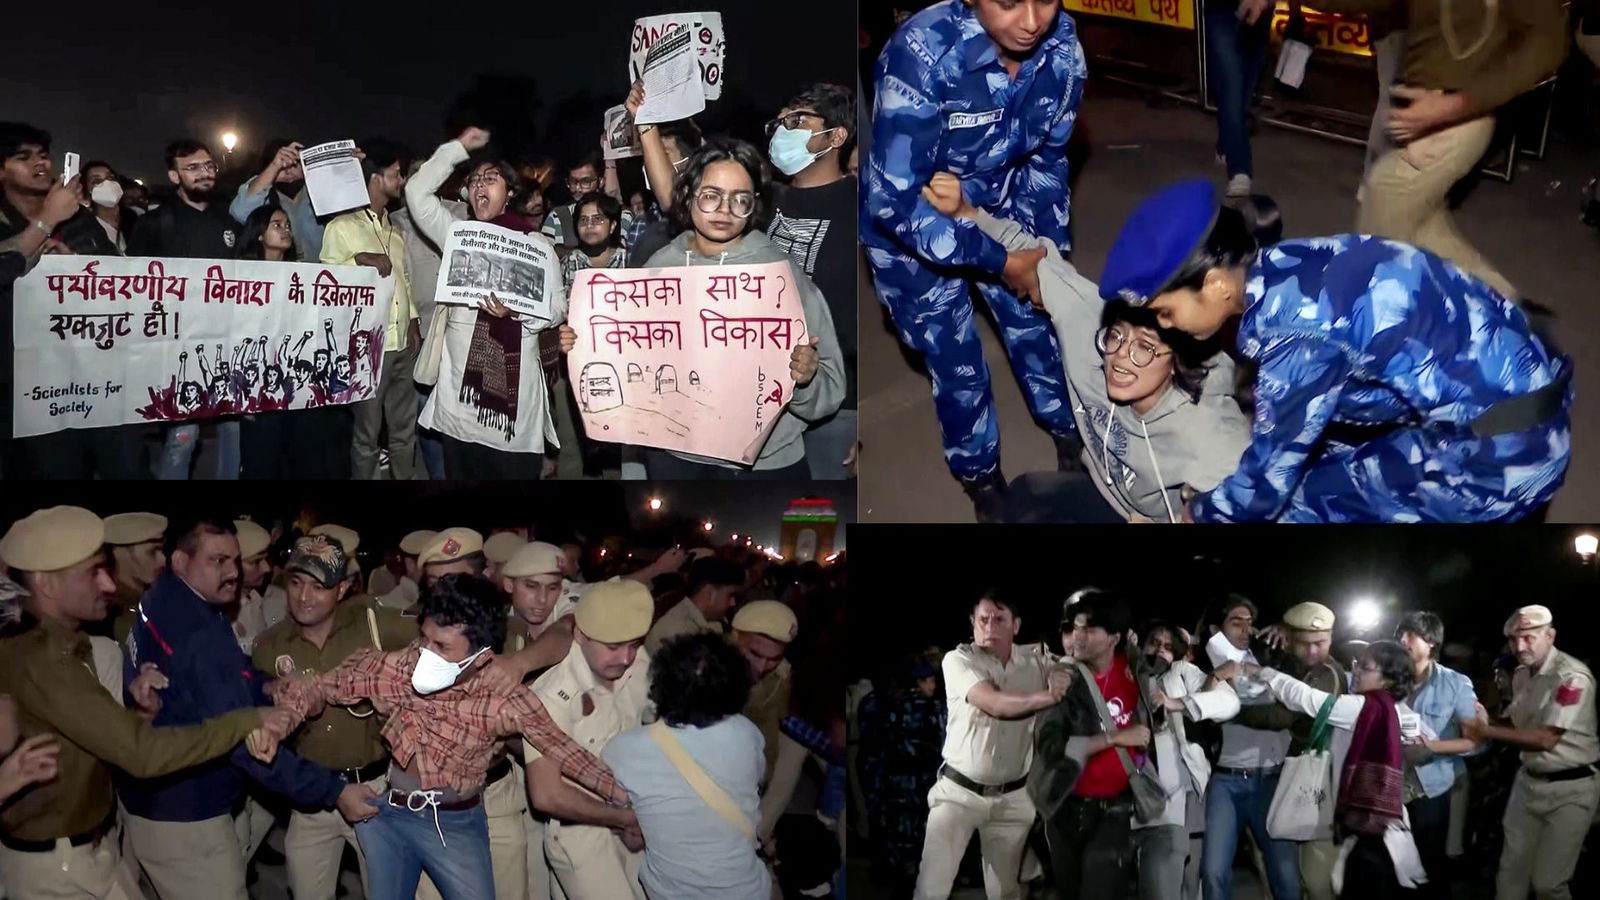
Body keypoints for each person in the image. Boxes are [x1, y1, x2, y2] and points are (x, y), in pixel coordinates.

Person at [1102, 179, 1572, 522]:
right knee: (1332, 456)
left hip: (1502, 456)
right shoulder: (1294, 262)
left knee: (1303, 504)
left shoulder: (1295, 333)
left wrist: (1200, 514)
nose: (1167, 326)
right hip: (1528, 397)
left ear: (1216, 284)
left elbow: (1265, 487)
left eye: (1166, 312)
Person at [266, 573, 633, 900]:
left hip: (455, 826)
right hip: (390, 816)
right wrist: (282, 719)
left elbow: (566, 752)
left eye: (442, 647)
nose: (425, 654)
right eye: (425, 639)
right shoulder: (398, 668)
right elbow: (321, 686)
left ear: (480, 655)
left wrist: (628, 804)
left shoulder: (503, 698)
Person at [863, 0, 1089, 520]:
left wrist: (1047, 254)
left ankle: (1068, 432)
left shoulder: (1063, 48)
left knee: (1038, 324)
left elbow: (1049, 157)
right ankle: (981, 478)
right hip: (912, 225)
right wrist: (1002, 260)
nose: (1031, 21)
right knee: (955, 358)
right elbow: (893, 200)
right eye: (1008, 2)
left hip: (998, 201)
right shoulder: (922, 54)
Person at [0, 506, 293, 900]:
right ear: (46, 584)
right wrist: (246, 720)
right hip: (58, 867)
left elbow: (94, 738)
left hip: (89, 850)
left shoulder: (63, 646)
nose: (108, 583)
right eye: (93, 572)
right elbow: (141, 754)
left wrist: (140, 713)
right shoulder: (42, 660)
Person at [922, 174, 1251, 522]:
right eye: (1117, 337)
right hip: (1108, 492)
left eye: (1145, 347)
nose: (1120, 356)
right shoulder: (1089, 326)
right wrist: (966, 212)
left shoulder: (1211, 436)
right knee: (1023, 498)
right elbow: (1033, 260)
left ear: (1176, 364)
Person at [563, 138, 845, 479]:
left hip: (763, 466)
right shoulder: (659, 267)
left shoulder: (780, 275)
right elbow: (623, 355)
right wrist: (582, 341)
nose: (725, 210)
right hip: (675, 457)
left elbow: (830, 387)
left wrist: (806, 378)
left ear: (754, 204)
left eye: (740, 199)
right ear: (689, 195)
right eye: (711, 195)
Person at [120, 517, 368, 900]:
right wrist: (334, 791)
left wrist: (266, 686)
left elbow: (224, 681)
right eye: (217, 561)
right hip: (188, 816)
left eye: (235, 560)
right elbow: (245, 742)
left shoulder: (166, 599)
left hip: (156, 802)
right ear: (181, 561)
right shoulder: (198, 632)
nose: (233, 572)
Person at [1314, 0, 1568, 300]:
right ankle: (1503, 299)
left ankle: (1351, 315)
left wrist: (1456, 105)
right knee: (1425, 229)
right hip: (1420, 112)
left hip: (1458, 120)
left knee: (1382, 208)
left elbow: (1551, 40)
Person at [250, 534, 418, 900]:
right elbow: (254, 708)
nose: (303, 597)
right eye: (296, 583)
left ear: (341, 589)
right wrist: (275, 695)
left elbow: (439, 640)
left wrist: (394, 681)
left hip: (376, 790)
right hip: (311, 799)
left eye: (318, 586)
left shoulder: (375, 625)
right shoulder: (268, 646)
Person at [404, 127, 565, 480]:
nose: (480, 184)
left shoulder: (537, 245)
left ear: (509, 193)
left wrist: (517, 311)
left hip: (514, 412)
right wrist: (458, 148)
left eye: (491, 179)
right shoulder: (457, 235)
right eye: (474, 180)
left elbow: (558, 308)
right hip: (459, 404)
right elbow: (416, 192)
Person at [1229, 641, 1429, 898]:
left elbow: (1306, 698)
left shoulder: (1361, 708)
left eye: (1365, 667)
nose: (1356, 671)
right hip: (1369, 821)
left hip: (1359, 824)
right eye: (1356, 664)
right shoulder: (1387, 708)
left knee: (1323, 884)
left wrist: (1262, 672)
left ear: (1387, 679)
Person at [916, 592, 1067, 900]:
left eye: (999, 619)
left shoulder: (1036, 660)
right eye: (982, 620)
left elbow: (1068, 666)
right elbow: (995, 704)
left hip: (1013, 798)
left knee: (1006, 892)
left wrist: (1061, 672)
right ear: (972, 623)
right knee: (931, 889)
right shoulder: (959, 660)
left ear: (1016, 625)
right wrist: (1050, 696)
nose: (989, 627)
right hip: (959, 794)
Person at [601, 632, 768, 900]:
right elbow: (757, 780)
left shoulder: (622, 750)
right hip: (746, 890)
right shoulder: (747, 734)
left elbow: (631, 837)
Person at [1460, 605, 1598, 900]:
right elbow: (1516, 726)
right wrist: (1485, 718)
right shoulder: (1522, 674)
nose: (1520, 647)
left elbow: (1545, 739)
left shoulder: (1572, 677)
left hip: (1570, 789)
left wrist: (1486, 731)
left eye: (1529, 638)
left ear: (1550, 636)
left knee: (1549, 884)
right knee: (1510, 875)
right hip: (1528, 783)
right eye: (1514, 639)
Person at [527, 580, 654, 899]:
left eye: (634, 644)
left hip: (636, 816)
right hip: (580, 831)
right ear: (580, 634)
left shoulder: (638, 662)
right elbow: (547, 795)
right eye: (613, 647)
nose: (625, 658)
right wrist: (625, 819)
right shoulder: (552, 695)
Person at [128, 139, 244, 481]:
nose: (204, 173)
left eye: (208, 165)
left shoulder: (228, 221)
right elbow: (133, 285)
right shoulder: (155, 223)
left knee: (232, 430)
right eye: (192, 168)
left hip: (226, 343)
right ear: (174, 176)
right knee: (184, 436)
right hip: (177, 347)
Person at [765, 83, 860, 481]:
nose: (782, 130)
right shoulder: (763, 201)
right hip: (767, 396)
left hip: (838, 406)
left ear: (836, 136)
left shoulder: (861, 204)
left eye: (798, 121)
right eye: (780, 121)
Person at [1029, 590, 1146, 900]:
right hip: (1064, 806)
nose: (1077, 636)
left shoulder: (1134, 671)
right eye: (1074, 628)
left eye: (1089, 628)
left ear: (1114, 638)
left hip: (1114, 808)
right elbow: (1052, 750)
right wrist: (1114, 738)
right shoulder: (1064, 682)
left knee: (1100, 888)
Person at [1226, 602, 1347, 900]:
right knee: (1280, 870)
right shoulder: (1291, 663)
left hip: (1317, 783)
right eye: (1304, 643)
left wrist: (1227, 704)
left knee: (1317, 879)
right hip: (1286, 777)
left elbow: (1281, 716)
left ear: (1331, 638)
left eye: (1320, 642)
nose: (1313, 650)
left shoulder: (1327, 674)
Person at [321, 137, 422, 480]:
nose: (401, 180)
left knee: (404, 431)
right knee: (367, 435)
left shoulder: (395, 229)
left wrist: (413, 319)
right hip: (367, 348)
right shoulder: (341, 227)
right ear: (375, 178)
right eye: (395, 174)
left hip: (403, 345)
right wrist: (358, 260)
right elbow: (326, 285)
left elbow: (404, 280)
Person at [1196, 596, 1302, 900]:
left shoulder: (1270, 657)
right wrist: (1217, 678)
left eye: (1249, 623)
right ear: (1215, 629)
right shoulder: (1205, 667)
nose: (1246, 630)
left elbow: (1290, 705)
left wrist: (1287, 633)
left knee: (1286, 876)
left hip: (1270, 779)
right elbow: (1200, 712)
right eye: (1236, 622)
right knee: (1213, 872)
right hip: (1225, 781)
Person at [1138, 623, 1238, 900]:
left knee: (1189, 875)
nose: (1160, 650)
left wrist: (1177, 703)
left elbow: (1228, 703)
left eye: (1168, 646)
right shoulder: (1128, 674)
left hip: (1183, 791)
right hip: (1137, 794)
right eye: (1154, 642)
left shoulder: (1182, 672)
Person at [1393, 611, 1481, 900]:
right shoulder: (1389, 678)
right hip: (1390, 785)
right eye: (1400, 634)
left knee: (1429, 867)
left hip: (1429, 789)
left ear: (1431, 642)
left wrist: (1431, 746)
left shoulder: (1455, 684)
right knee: (1395, 867)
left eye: (1410, 634)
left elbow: (1473, 742)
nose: (1402, 640)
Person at [1206, 0, 1275, 199]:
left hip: (1260, 17)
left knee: (1243, 93)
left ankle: (1226, 144)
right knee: (1231, 87)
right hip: (1221, 12)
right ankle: (1240, 170)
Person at [229, 139, 325, 260]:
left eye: (294, 164)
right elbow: (239, 212)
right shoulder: (266, 197)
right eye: (282, 164)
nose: (288, 170)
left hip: (323, 268)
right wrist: (275, 166)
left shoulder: (320, 192)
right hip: (280, 268)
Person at [644, 557, 743, 655]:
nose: (733, 603)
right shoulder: (680, 632)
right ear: (710, 593)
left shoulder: (707, 622)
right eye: (730, 595)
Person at [542, 156, 636, 251]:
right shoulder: (557, 216)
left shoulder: (622, 215)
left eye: (585, 182)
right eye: (573, 182)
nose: (578, 188)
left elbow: (625, 254)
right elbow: (543, 254)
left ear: (601, 181)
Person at [102, 512, 168, 642]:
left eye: (162, 551)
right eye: (152, 551)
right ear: (120, 553)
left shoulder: (157, 597)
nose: (163, 561)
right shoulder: (109, 613)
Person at [558, 192, 629, 294]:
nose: (589, 225)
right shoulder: (569, 263)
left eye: (597, 219)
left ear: (612, 226)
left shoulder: (627, 260)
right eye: (583, 220)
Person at [57, 160, 128, 255]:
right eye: (97, 181)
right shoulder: (83, 229)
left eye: (110, 178)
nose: (107, 183)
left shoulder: (133, 222)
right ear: (86, 190)